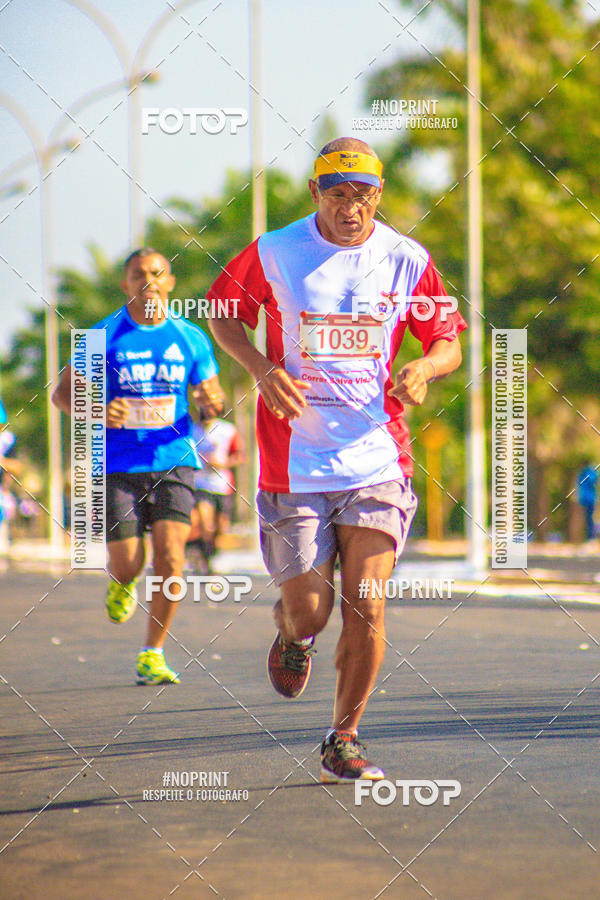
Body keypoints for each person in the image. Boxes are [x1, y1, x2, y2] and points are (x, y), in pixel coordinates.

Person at [208, 137, 467, 782]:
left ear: (379, 196)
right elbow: (224, 314)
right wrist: (261, 368)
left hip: (377, 460)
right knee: (311, 610)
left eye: (365, 196)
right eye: (339, 195)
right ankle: (293, 634)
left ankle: (343, 737)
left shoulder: (407, 259)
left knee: (368, 603)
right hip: (292, 463)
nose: (352, 208)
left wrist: (426, 368)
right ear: (315, 193)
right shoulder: (275, 251)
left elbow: (447, 340)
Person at [52, 249, 225, 684]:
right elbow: (62, 394)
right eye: (138, 274)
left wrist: (210, 403)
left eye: (156, 273)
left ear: (170, 282)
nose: (148, 281)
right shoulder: (102, 335)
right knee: (128, 562)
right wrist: (97, 408)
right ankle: (123, 581)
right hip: (118, 465)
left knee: (171, 557)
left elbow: (213, 399)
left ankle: (154, 652)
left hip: (174, 460)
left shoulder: (190, 336)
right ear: (125, 284)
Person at [187, 412, 246, 573]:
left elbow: (240, 455)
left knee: (220, 529)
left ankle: (205, 551)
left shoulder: (227, 430)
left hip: (221, 485)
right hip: (200, 484)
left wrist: (223, 463)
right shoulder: (192, 430)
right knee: (205, 524)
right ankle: (206, 561)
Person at [577, 460, 598, 540]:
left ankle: (590, 536)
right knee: (586, 518)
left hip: (589, 499)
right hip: (584, 499)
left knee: (589, 518)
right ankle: (586, 536)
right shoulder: (583, 473)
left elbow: (593, 481)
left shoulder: (589, 472)